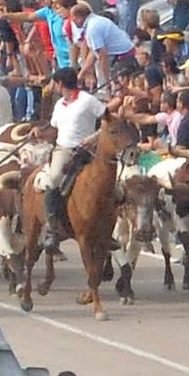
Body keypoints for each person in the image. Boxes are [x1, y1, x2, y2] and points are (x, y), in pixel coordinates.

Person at [38, 69, 106, 250]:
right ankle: (53, 229)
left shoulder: (88, 100)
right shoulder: (59, 104)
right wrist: (40, 132)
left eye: (55, 84)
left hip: (88, 150)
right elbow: (54, 129)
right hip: (64, 150)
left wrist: (93, 138)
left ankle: (108, 229)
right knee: (53, 180)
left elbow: (108, 120)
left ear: (60, 84)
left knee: (111, 185)